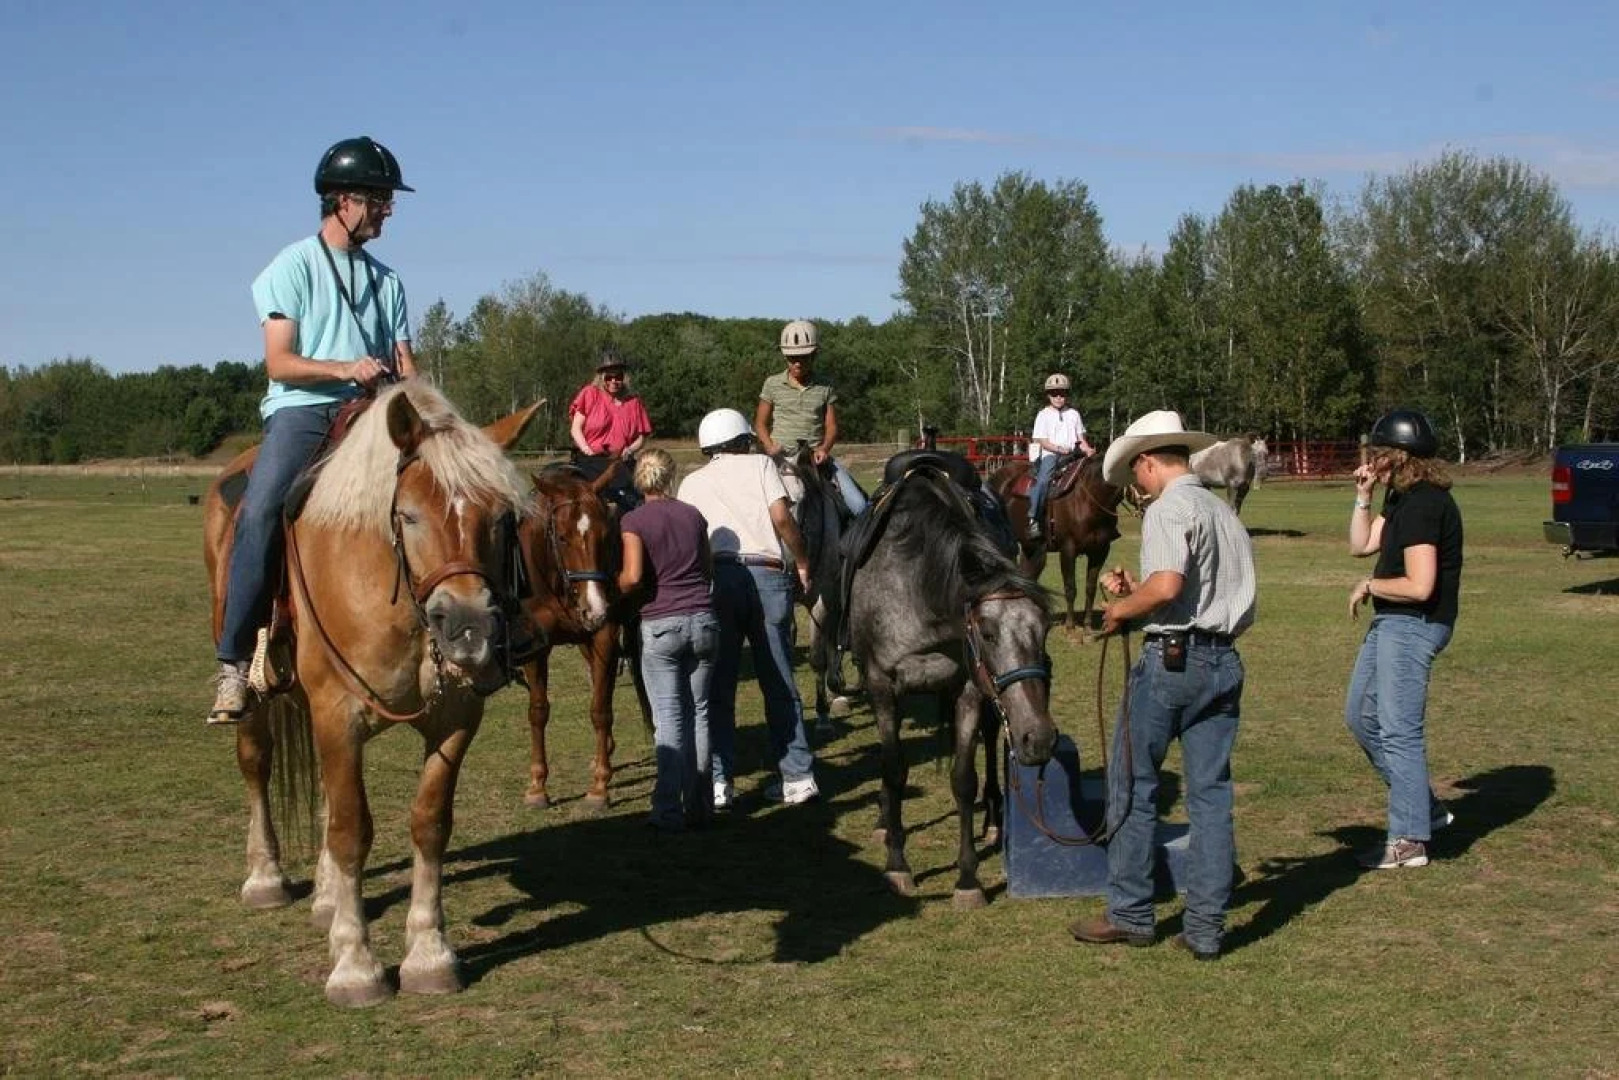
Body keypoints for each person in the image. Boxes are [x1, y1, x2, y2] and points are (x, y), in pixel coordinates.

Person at [209, 136, 417, 724]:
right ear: (343, 200)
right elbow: (279, 361)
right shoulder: (290, 266)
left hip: (374, 410)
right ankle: (233, 662)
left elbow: (406, 362)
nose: (388, 210)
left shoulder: (390, 282)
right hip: (303, 409)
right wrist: (344, 368)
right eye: (379, 198)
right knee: (261, 505)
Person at [1069, 409, 1255, 961]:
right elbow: (1190, 586)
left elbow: (1170, 584)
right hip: (1224, 660)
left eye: (1135, 474)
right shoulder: (1221, 512)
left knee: (1132, 782)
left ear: (1148, 461)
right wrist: (1140, 588)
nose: (1134, 486)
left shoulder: (1169, 509)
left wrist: (1122, 607)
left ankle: (1130, 912)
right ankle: (1204, 928)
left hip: (1173, 661)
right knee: (1211, 796)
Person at [678, 407, 819, 809]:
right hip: (767, 574)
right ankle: (797, 776)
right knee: (778, 678)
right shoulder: (761, 464)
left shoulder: (691, 482)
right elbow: (781, 518)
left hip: (718, 578)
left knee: (718, 685)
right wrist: (803, 561)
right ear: (743, 439)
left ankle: (720, 782)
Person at [1344, 408, 1464, 870]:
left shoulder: (1423, 506)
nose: (1369, 462)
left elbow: (1420, 585)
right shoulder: (1400, 500)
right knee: (1360, 715)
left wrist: (1371, 585)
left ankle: (1410, 840)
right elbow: (1360, 545)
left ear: (1398, 457)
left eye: (1375, 456)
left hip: (1414, 621)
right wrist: (1363, 497)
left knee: (1398, 729)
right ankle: (1425, 808)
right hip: (1392, 622)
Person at [618, 450, 720, 832]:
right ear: (670, 477)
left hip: (662, 623)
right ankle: (700, 806)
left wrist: (615, 588)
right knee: (701, 712)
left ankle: (666, 808)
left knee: (669, 718)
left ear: (640, 481)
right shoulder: (693, 515)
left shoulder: (634, 520)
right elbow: (707, 567)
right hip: (704, 620)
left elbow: (631, 577)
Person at [754, 319, 869, 517]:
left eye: (804, 357)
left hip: (815, 459)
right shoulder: (772, 384)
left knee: (859, 506)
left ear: (814, 355)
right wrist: (769, 446)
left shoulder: (826, 386)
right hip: (781, 457)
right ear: (785, 356)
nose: (797, 362)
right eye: (792, 357)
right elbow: (760, 423)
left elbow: (832, 426)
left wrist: (824, 449)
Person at [568, 347, 652, 510]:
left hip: (621, 460)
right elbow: (576, 428)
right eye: (609, 377)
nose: (614, 381)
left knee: (643, 497)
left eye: (618, 377)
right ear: (601, 377)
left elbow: (641, 437)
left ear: (624, 378)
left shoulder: (633, 402)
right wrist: (585, 448)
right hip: (590, 459)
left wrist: (630, 449)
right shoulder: (589, 394)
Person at [1025, 372, 1095, 540]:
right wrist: (1057, 449)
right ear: (1048, 395)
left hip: (1074, 454)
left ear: (1066, 395)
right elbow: (1040, 439)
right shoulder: (1043, 415)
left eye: (1062, 393)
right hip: (1051, 455)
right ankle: (1033, 519)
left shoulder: (1074, 414)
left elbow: (1080, 438)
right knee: (1042, 482)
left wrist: (1088, 449)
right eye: (1054, 393)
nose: (1058, 396)